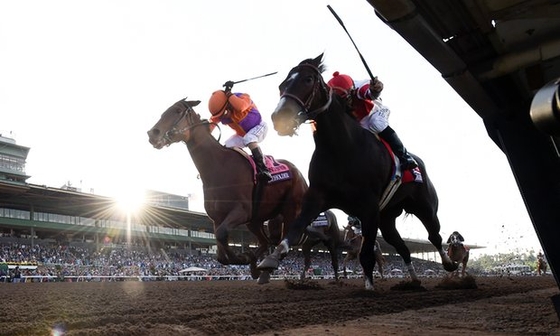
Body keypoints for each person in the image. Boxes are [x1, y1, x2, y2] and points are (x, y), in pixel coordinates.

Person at [327, 72, 418, 170]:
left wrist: (375, 90)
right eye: (343, 100)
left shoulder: (359, 87)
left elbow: (368, 93)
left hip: (372, 113)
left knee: (376, 123)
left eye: (347, 98)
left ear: (351, 90)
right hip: (358, 123)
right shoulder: (332, 101)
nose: (347, 102)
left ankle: (404, 156)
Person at [208, 84, 272, 181]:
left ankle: (264, 169)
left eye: (224, 113)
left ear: (229, 103)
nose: (223, 117)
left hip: (259, 127)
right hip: (242, 135)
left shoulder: (243, 98)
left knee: (249, 138)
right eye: (220, 116)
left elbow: (241, 107)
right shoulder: (221, 112)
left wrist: (229, 94)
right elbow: (210, 127)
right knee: (226, 147)